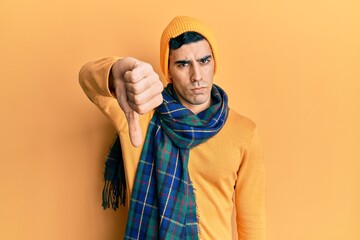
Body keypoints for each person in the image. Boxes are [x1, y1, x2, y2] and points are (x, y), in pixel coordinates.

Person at [79, 16, 266, 240]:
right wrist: (114, 71)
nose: (197, 76)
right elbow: (86, 78)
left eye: (204, 61)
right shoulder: (139, 112)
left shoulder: (244, 132)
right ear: (168, 70)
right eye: (183, 64)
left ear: (215, 62)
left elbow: (252, 223)